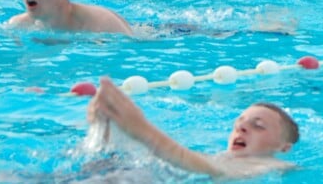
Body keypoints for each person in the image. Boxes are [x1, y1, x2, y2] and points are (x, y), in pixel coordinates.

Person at [87, 76, 298, 178]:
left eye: (258, 126)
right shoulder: (218, 156)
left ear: (283, 146)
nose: (241, 129)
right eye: (238, 124)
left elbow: (216, 171)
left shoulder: (273, 166)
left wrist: (141, 130)